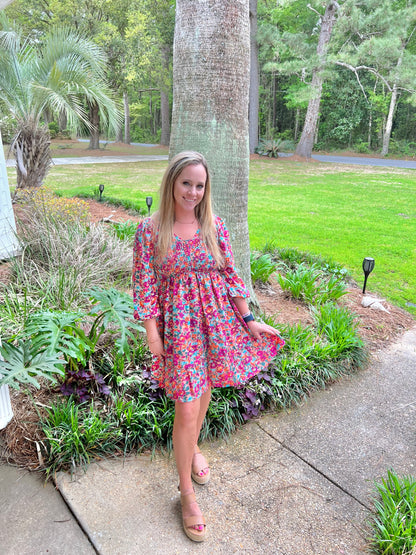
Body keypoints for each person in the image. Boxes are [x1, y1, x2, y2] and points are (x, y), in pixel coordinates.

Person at [132, 151, 284, 542]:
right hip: (179, 328)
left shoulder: (214, 225)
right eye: (186, 183)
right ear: (172, 183)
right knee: (185, 407)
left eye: (200, 185)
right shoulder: (150, 230)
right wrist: (153, 333)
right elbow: (145, 286)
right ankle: (185, 494)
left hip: (215, 324)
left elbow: (231, 276)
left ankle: (194, 447)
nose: (193, 192)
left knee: (203, 396)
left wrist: (250, 320)